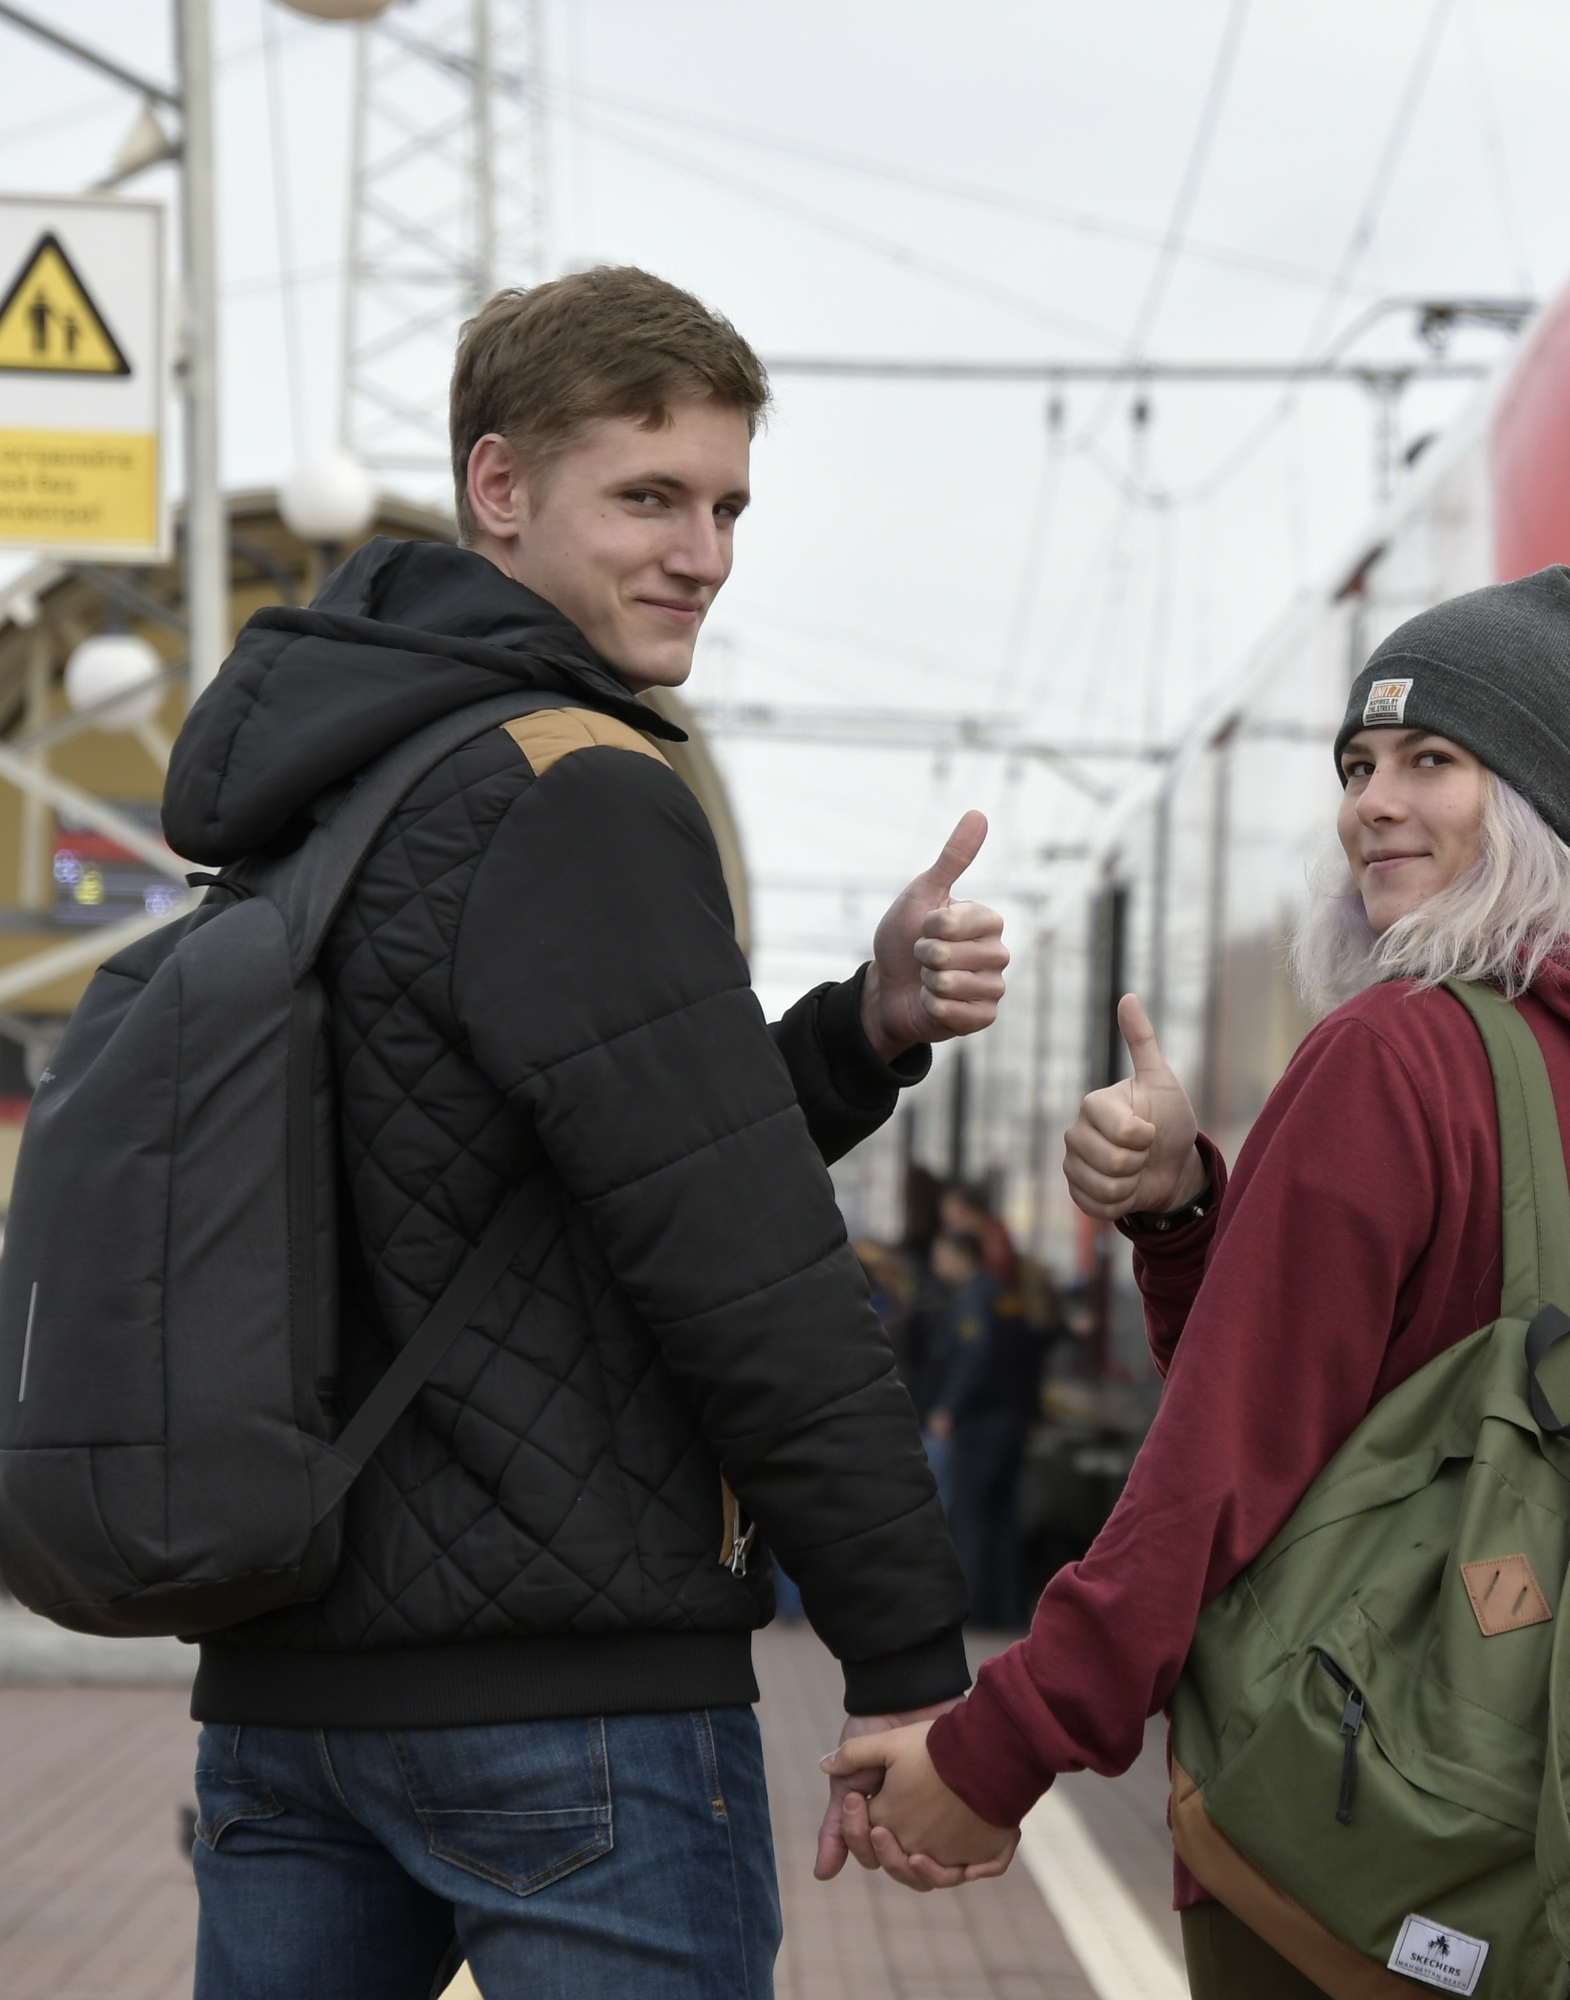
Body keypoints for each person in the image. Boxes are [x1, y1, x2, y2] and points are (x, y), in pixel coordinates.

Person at [163, 266, 1009, 2000]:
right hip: (572, 1722)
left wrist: (862, 1031)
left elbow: (540, 1182)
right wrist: (914, 1662)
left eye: (727, 507)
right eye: (648, 496)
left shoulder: (325, 792)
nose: (701, 552)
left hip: (286, 1702)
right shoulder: (579, 793)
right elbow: (746, 1268)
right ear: (500, 489)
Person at [826, 566, 1570, 1997]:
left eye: (1433, 761)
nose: (1372, 802)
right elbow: (1370, 1414)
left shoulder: (1391, 1052)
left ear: (1535, 799)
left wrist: (995, 1750)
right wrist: (1195, 1215)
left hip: (1378, 1837)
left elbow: (1224, 1468)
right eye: (1359, 764)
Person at [920, 1229, 1044, 1628]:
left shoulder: (973, 1300)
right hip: (1012, 1421)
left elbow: (974, 1358)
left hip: (982, 1423)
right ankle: (1006, 1610)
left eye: (941, 1254)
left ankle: (972, 1610)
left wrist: (949, 1408)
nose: (938, 1264)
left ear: (961, 1255)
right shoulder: (1004, 1296)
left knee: (971, 1515)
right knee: (1003, 1518)